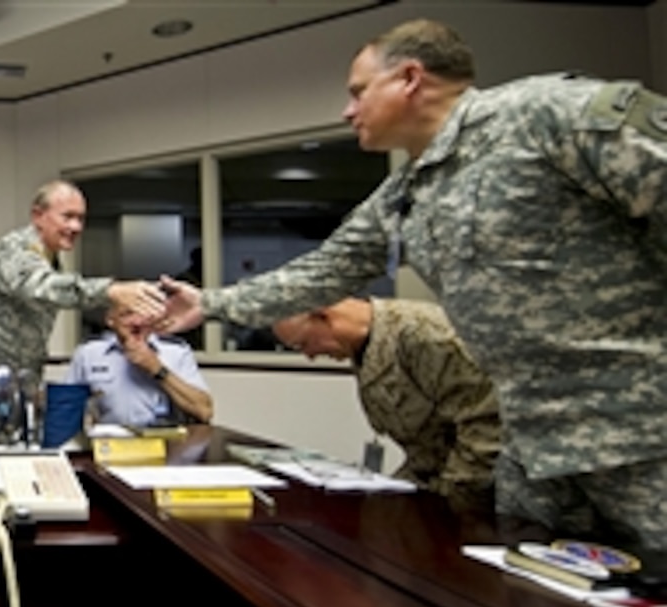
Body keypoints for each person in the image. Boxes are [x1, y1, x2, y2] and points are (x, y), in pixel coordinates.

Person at [160, 18, 667, 549]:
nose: (347, 110)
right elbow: (323, 271)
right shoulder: (405, 193)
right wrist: (210, 304)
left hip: (639, 437)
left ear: (409, 78)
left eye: (358, 92)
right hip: (535, 454)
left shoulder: (548, 116)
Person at [0, 180, 165, 428]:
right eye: (67, 217)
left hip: (8, 386)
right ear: (38, 215)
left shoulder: (49, 259)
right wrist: (109, 290)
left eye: (81, 219)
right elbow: (42, 287)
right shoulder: (16, 249)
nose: (76, 226)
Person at [272, 297, 500, 512]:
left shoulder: (422, 335)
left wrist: (448, 507)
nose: (310, 356)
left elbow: (485, 427)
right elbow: (425, 450)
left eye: (303, 344)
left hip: (479, 495)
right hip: (432, 482)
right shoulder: (364, 346)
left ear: (324, 316)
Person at [66, 302, 213, 427]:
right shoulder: (89, 354)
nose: (137, 322)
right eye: (127, 314)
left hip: (167, 448)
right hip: (110, 448)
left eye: (144, 314)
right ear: (110, 319)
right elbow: (65, 411)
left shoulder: (175, 352)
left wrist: (157, 369)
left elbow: (204, 411)